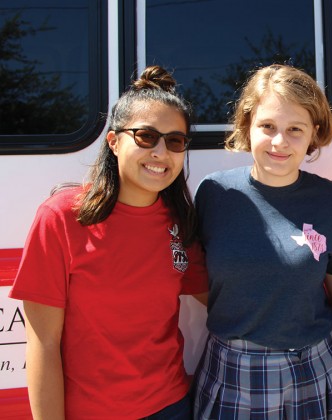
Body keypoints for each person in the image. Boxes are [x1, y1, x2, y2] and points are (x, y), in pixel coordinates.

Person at [9, 65, 208, 419]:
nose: (161, 152)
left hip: (171, 406)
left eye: (175, 141)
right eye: (146, 137)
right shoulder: (61, 218)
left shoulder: (180, 221)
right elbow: (43, 344)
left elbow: (222, 298)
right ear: (114, 142)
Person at [190, 64, 332, 419]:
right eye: (267, 127)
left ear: (315, 133)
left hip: (313, 366)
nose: (280, 142)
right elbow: (201, 281)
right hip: (234, 368)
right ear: (248, 125)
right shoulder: (214, 193)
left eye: (295, 129)